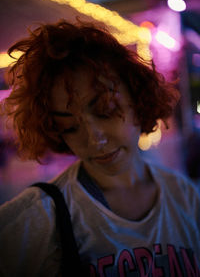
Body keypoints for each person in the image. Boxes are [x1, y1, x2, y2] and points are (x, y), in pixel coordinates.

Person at [0, 19, 200, 277]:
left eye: (106, 110)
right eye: (69, 126)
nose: (94, 139)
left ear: (137, 97)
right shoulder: (41, 216)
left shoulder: (184, 196)